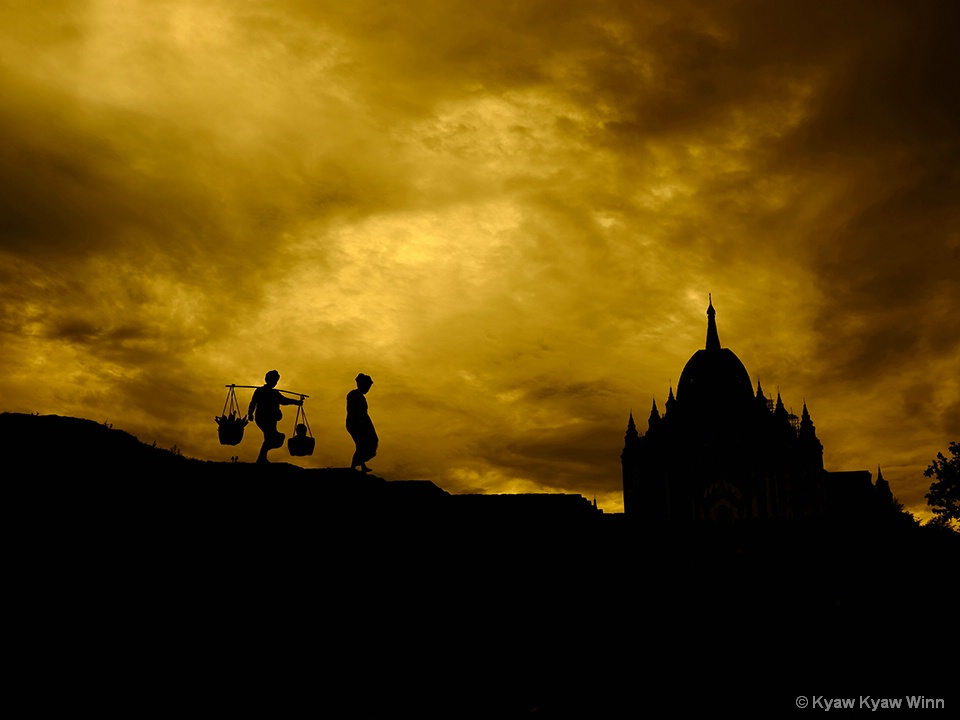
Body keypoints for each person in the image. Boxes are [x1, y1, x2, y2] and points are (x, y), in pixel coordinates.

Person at [248, 370, 301, 464]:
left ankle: (262, 458)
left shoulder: (272, 393)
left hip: (270, 418)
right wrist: (250, 413)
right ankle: (261, 458)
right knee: (271, 438)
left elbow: (284, 401)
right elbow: (253, 403)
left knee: (269, 438)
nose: (275, 383)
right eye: (275, 381)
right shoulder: (265, 392)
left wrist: (296, 402)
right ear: (269, 380)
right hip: (264, 418)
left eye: (276, 381)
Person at [346, 373, 378, 472]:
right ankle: (354, 467)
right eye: (367, 386)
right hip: (356, 423)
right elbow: (354, 411)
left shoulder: (360, 396)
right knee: (361, 445)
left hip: (363, 422)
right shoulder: (353, 395)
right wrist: (361, 422)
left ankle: (361, 464)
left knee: (370, 442)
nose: (368, 389)